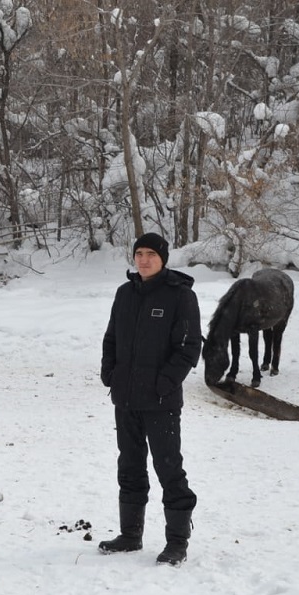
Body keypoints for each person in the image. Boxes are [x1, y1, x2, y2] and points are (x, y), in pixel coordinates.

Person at [99, 232, 202, 565]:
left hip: (161, 402)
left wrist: (164, 383)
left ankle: (177, 542)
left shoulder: (180, 296)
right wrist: (109, 372)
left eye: (151, 255)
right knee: (129, 467)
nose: (144, 260)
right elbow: (111, 337)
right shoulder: (125, 294)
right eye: (139, 253)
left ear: (163, 259)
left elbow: (189, 348)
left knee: (169, 469)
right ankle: (130, 536)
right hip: (125, 399)